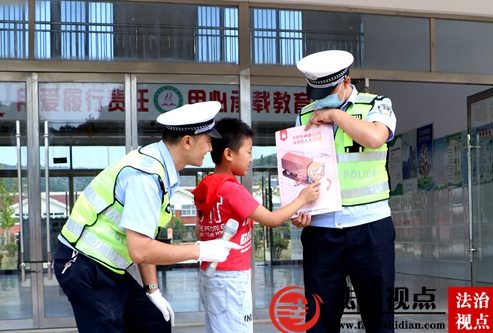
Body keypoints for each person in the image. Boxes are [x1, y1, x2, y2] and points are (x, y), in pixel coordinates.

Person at [53, 101, 242, 333]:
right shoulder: (147, 176)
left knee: (154, 321)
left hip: (110, 266)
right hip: (84, 264)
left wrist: (152, 290)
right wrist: (200, 250)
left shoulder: (162, 170)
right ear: (187, 141)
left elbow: (145, 236)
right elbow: (141, 250)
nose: (210, 147)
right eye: (208, 140)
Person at [294, 50, 397, 333]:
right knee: (318, 321)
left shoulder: (376, 105)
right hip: (322, 231)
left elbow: (376, 137)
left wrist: (335, 114)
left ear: (346, 81)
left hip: (371, 227)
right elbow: (300, 171)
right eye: (316, 93)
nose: (320, 99)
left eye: (327, 92)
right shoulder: (304, 114)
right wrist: (298, 209)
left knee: (379, 319)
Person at [192, 117, 320, 333]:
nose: (252, 158)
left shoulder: (205, 186)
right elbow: (272, 219)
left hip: (211, 273)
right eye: (249, 151)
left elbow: (200, 230)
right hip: (230, 278)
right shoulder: (233, 190)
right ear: (229, 154)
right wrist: (302, 198)